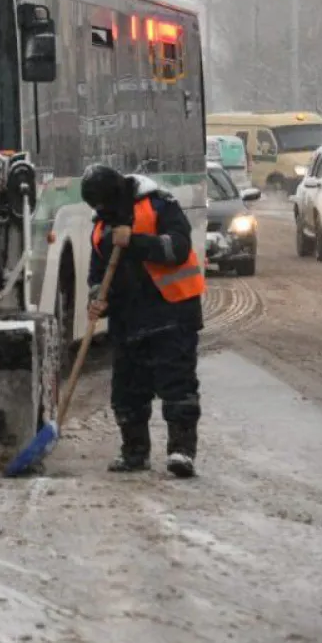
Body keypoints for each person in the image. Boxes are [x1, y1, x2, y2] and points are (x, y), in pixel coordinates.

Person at [82, 164, 205, 479]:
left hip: (172, 311)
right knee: (127, 393)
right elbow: (98, 276)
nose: (101, 212)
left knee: (177, 385)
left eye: (104, 205)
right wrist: (98, 301)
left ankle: (181, 451)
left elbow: (178, 248)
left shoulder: (159, 204)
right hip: (128, 321)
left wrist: (134, 242)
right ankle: (134, 453)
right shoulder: (100, 229)